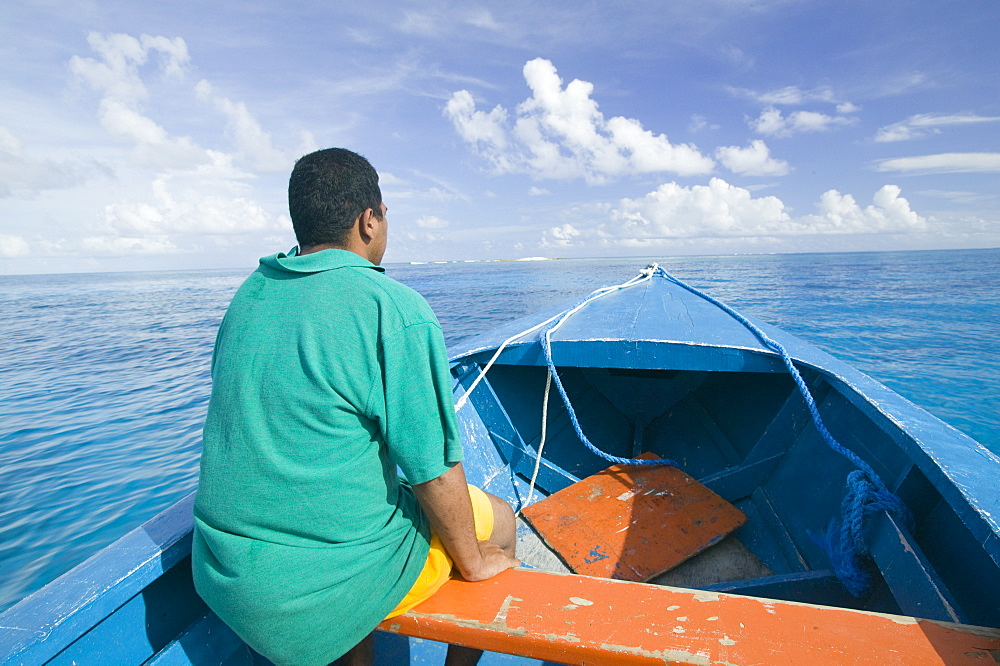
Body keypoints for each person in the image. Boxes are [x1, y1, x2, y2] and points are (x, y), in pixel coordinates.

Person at [191, 148, 519, 666]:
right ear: (369, 221)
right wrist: (473, 561)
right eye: (385, 214)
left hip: (223, 572)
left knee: (347, 512)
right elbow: (432, 468)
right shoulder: (392, 308)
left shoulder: (249, 295)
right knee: (498, 526)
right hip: (316, 590)